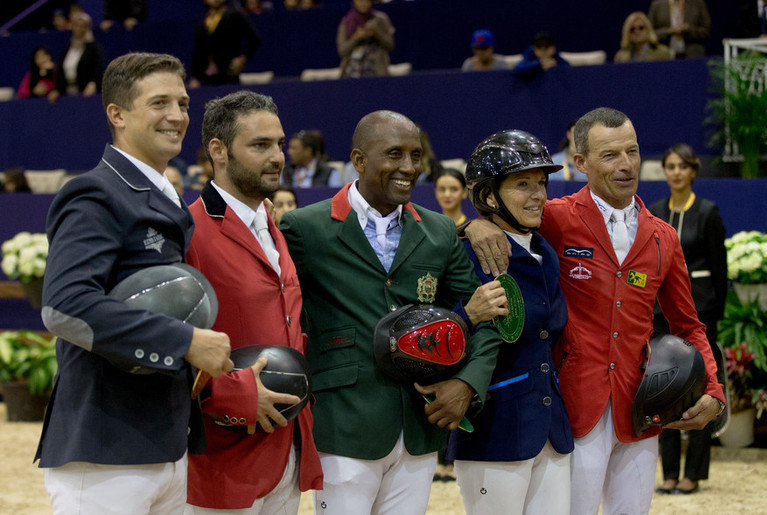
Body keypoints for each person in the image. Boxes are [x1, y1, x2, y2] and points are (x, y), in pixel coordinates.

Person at [462, 107, 725, 514]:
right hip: (572, 406)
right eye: (610, 155)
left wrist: (713, 389)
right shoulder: (555, 216)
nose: (626, 165)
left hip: (641, 406)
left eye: (632, 152)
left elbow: (688, 325)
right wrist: (472, 225)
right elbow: (503, 215)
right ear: (580, 162)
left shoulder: (664, 237)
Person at [35, 52, 233, 513]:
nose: (177, 116)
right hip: (106, 445)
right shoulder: (96, 192)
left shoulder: (165, 196)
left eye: (183, 103)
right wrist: (184, 340)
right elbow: (65, 306)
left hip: (165, 439)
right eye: (160, 102)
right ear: (117, 114)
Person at [279, 110, 506, 515]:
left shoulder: (439, 232)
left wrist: (468, 384)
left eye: (416, 155)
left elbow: (489, 314)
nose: (409, 168)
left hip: (419, 426)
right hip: (343, 425)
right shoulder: (304, 228)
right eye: (395, 154)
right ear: (359, 160)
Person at [185, 90, 323, 513]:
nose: (278, 156)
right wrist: (236, 394)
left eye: (280, 143)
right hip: (222, 455)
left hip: (286, 447)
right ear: (218, 150)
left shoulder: (272, 225)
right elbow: (172, 340)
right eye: (260, 145)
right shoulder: (188, 229)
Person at [447, 130, 573, 514]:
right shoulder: (466, 254)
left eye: (541, 184)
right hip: (495, 428)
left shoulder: (545, 252)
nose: (538, 195)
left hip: (552, 428)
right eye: (523, 184)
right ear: (488, 196)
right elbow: (441, 334)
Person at [648, 143, 728, 496]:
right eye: (670, 166)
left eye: (682, 166)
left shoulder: (708, 212)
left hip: (702, 309)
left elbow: (720, 269)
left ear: (693, 170)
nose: (676, 172)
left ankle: (693, 473)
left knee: (702, 389)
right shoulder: (655, 213)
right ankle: (668, 472)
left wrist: (716, 315)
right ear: (664, 172)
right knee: (661, 384)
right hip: (661, 314)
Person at [189, 0, 261, 88]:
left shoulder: (234, 15)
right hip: (208, 78)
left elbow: (254, 38)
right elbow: (198, 52)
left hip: (229, 74)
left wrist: (242, 58)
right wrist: (195, 77)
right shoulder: (202, 23)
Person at [48, 11, 104, 103]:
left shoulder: (94, 48)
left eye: (82, 26)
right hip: (67, 96)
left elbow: (98, 69)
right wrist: (57, 90)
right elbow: (60, 71)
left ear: (87, 28)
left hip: (86, 95)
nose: (78, 29)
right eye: (76, 25)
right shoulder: (67, 50)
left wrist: (92, 85)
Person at [336, 0, 395, 78]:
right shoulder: (346, 21)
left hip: (377, 70)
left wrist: (377, 32)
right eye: (360, 1)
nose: (363, 4)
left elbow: (390, 45)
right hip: (352, 71)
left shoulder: (381, 19)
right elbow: (342, 50)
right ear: (354, 2)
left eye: (367, 1)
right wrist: (356, 37)